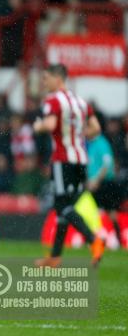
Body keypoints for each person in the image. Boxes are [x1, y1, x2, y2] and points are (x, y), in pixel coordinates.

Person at [33, 64, 104, 267]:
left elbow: (50, 125)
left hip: (63, 160)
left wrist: (37, 125)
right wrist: (77, 136)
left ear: (58, 78)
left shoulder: (54, 100)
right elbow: (96, 129)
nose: (44, 82)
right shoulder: (80, 102)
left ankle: (94, 240)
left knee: (62, 206)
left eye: (46, 78)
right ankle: (55, 256)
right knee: (65, 208)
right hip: (81, 160)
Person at [87, 133, 124, 247]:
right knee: (97, 212)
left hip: (105, 184)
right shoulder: (91, 144)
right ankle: (98, 240)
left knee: (110, 212)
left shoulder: (101, 143)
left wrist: (96, 180)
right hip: (95, 184)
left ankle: (118, 239)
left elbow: (107, 164)